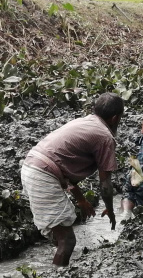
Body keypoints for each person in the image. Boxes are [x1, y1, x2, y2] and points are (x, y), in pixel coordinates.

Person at [20, 92, 123, 266]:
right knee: (67, 241)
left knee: (60, 235)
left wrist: (81, 200)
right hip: (43, 175)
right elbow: (105, 183)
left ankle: (55, 266)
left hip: (31, 166)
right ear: (115, 118)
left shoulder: (85, 122)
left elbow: (65, 169)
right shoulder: (105, 137)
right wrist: (110, 210)